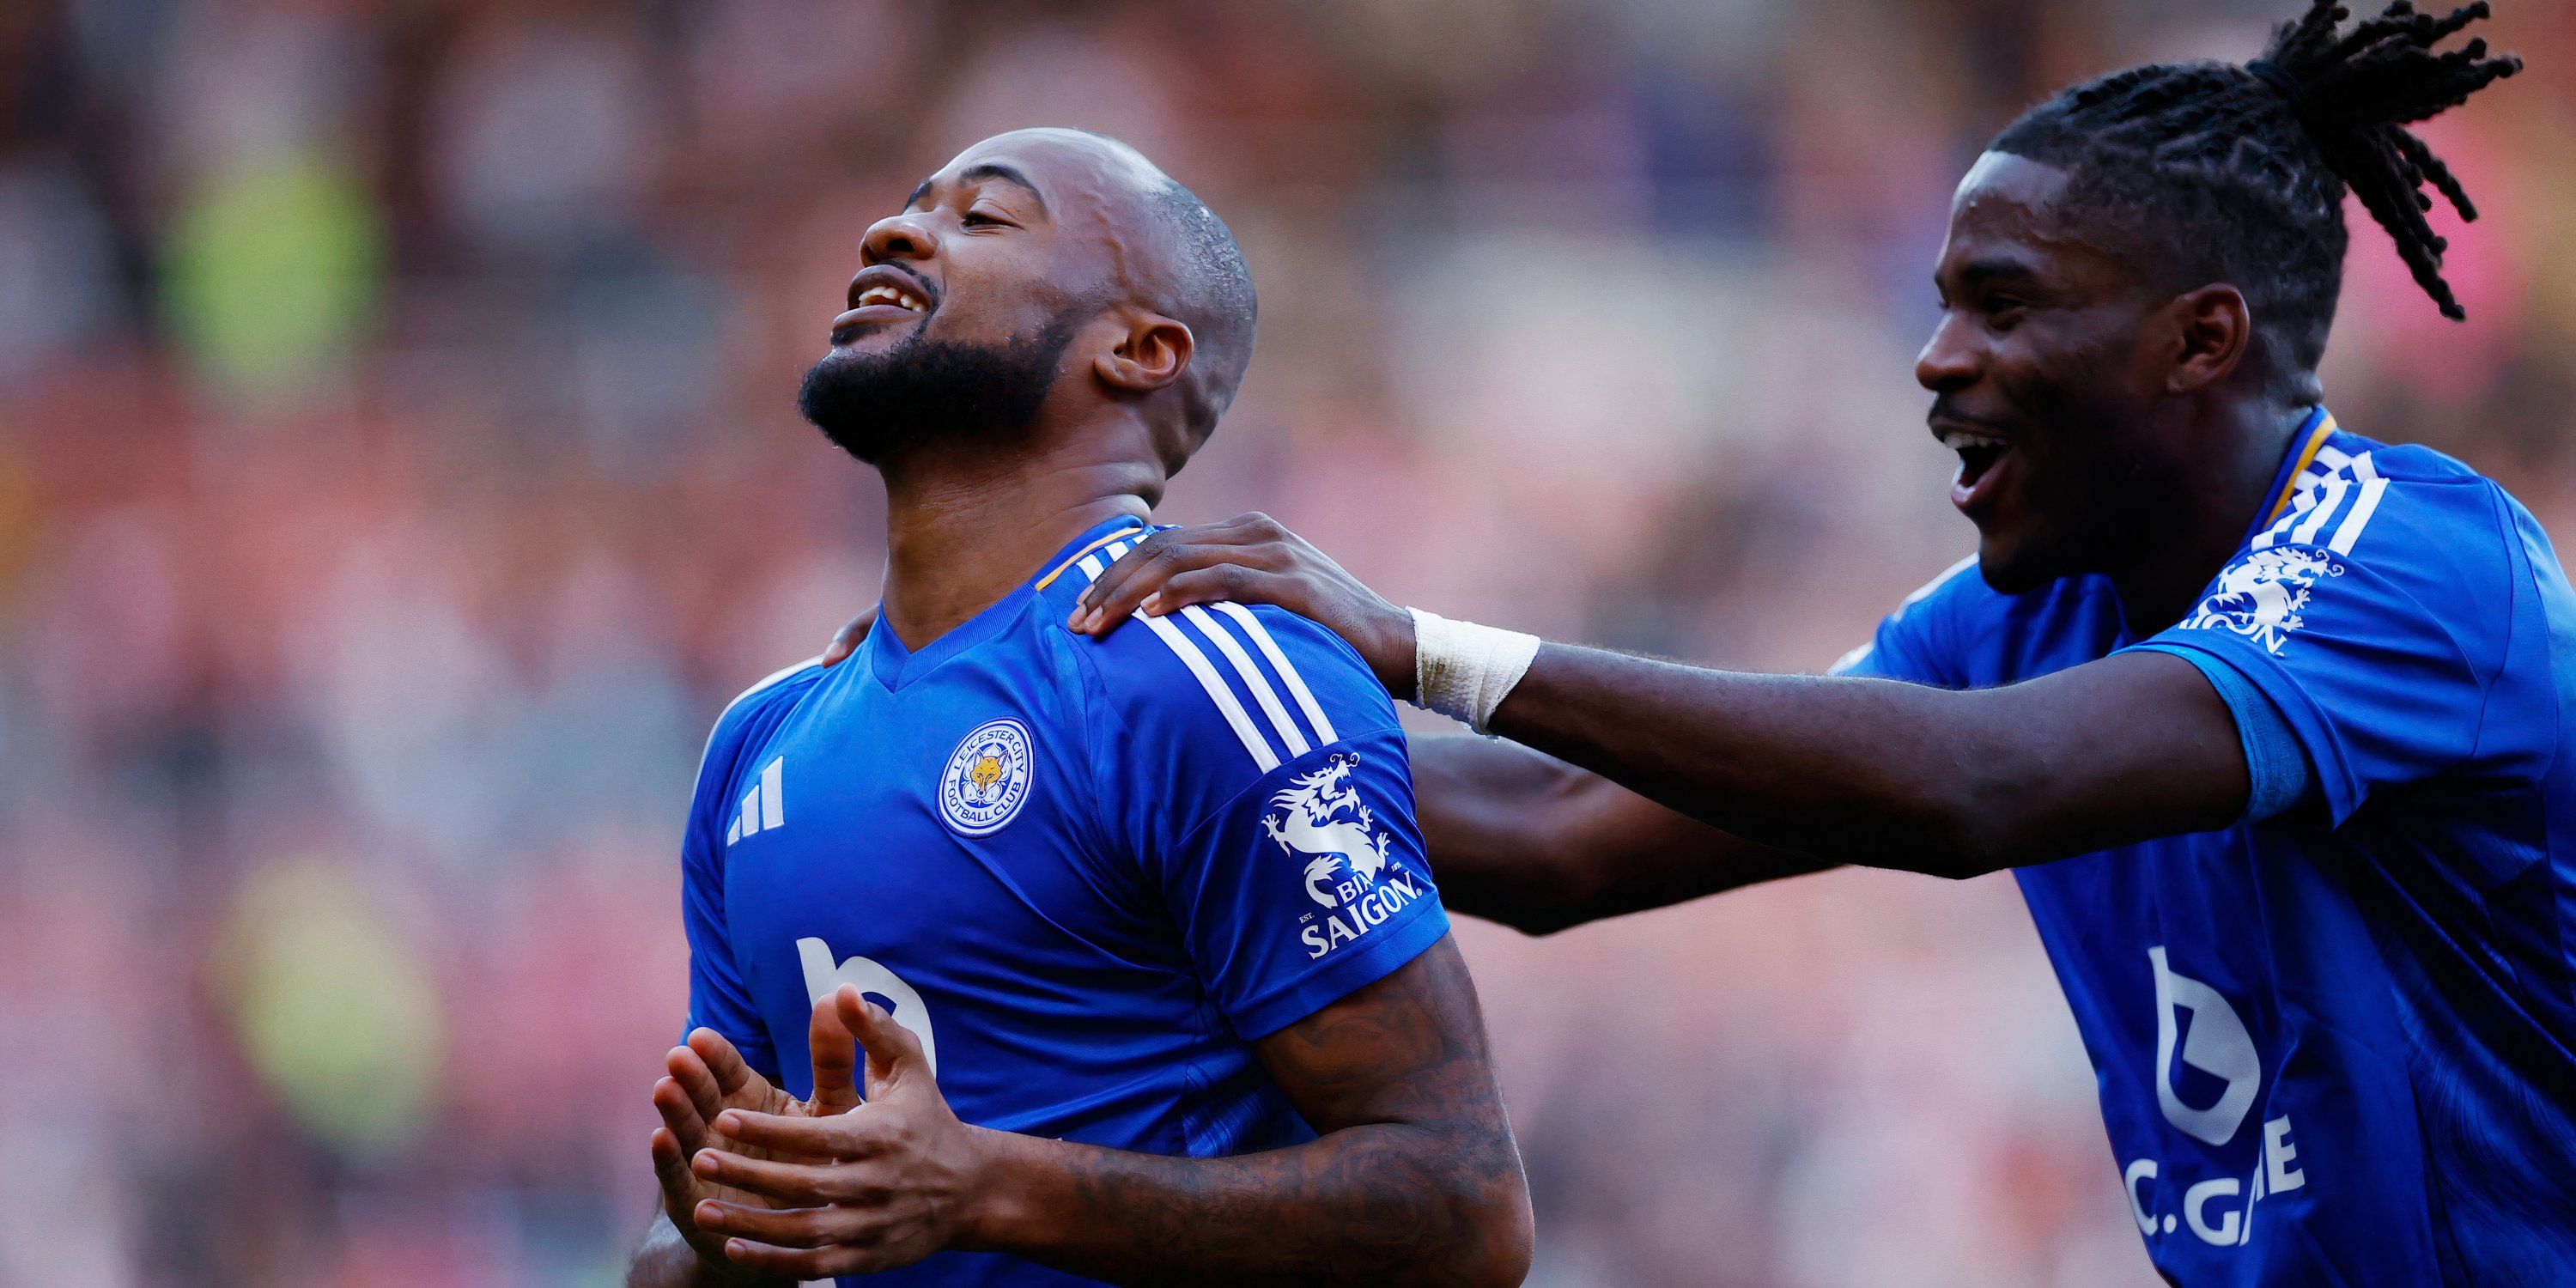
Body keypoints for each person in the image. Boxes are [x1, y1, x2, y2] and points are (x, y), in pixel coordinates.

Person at [1042, 4, 2576, 1283]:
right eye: (1941, 301)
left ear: (2201, 339)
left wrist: (1417, 645)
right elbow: (1557, 836)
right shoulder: (2029, 616)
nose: (1937, 355)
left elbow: (1982, 790)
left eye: (2004, 303)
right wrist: (1114, 740)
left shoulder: (2417, 565)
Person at [634, 128, 1532, 1288]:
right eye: (913, 205)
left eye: (984, 218)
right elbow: (688, 1247)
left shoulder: (1197, 673)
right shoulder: (760, 740)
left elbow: (1463, 1208)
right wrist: (730, 1234)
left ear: (1142, 348)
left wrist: (990, 1188)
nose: (894, 232)